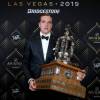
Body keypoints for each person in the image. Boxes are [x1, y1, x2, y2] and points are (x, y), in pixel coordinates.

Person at [22, 13, 57, 92]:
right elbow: (25, 63)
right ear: (39, 24)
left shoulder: (58, 41)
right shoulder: (30, 41)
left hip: (53, 85)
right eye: (43, 22)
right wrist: (30, 80)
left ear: (52, 25)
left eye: (49, 22)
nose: (46, 25)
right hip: (34, 84)